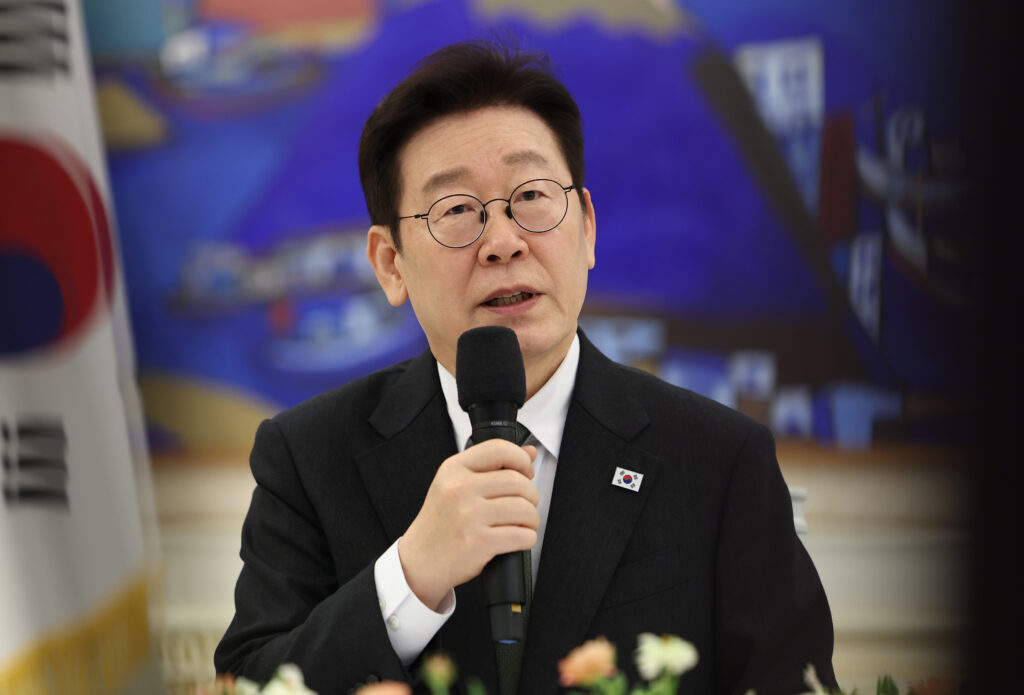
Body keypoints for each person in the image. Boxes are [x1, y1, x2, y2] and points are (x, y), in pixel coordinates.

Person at [214, 40, 837, 695]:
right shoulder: (307, 458)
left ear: (587, 228)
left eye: (532, 195)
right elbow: (250, 681)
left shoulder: (718, 460)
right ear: (390, 265)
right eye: (457, 210)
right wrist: (411, 574)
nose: (504, 242)